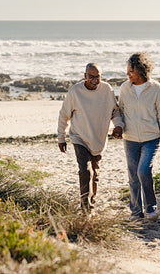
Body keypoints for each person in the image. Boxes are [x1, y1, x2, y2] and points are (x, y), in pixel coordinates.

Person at [58, 63, 123, 214]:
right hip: (79, 137)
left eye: (98, 76)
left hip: (98, 139)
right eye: (91, 76)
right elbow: (64, 115)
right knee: (86, 171)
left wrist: (118, 126)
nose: (95, 80)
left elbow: (116, 112)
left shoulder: (107, 90)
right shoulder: (75, 91)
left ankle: (91, 205)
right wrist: (61, 137)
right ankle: (86, 209)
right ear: (85, 76)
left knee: (95, 175)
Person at [117, 52, 160, 220]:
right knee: (133, 176)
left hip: (151, 138)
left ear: (140, 71)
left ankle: (151, 208)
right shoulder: (125, 88)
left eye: (131, 71)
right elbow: (119, 111)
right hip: (130, 138)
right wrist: (118, 126)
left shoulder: (156, 89)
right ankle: (136, 212)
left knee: (143, 171)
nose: (128, 74)